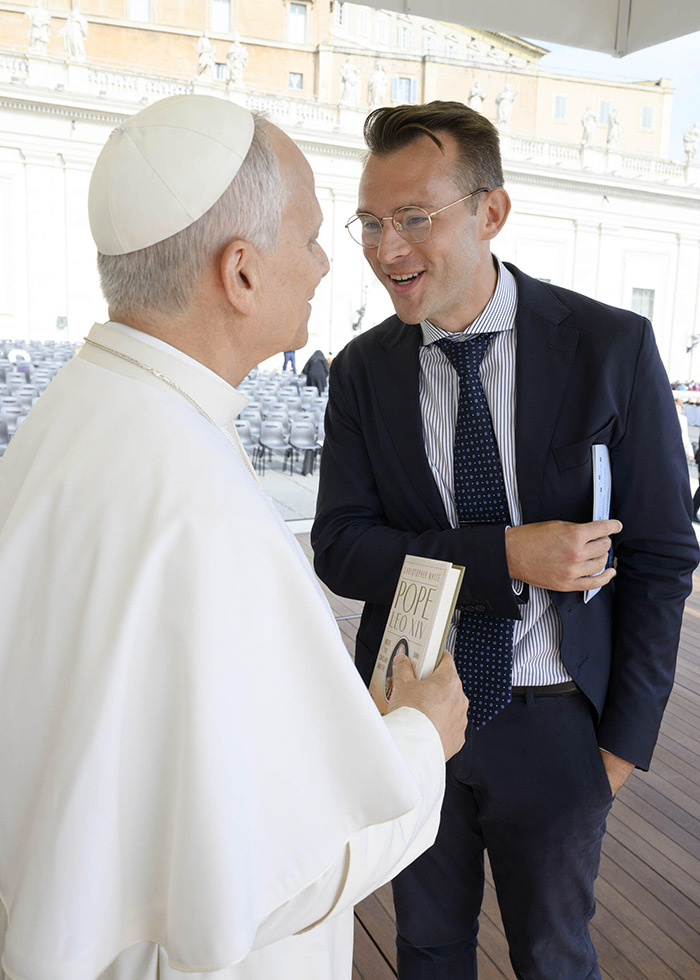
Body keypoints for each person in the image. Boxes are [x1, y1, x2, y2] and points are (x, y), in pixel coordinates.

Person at [0, 94, 469, 980]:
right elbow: (263, 879)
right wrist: (419, 735)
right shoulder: (202, 510)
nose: (334, 264)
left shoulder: (73, 413)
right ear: (242, 273)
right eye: (314, 237)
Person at [312, 100, 698, 980]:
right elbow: (340, 548)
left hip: (561, 723)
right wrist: (507, 557)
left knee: (555, 960)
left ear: (491, 213)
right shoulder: (364, 371)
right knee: (429, 952)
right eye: (371, 221)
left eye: (415, 217)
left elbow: (664, 557)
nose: (385, 247)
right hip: (413, 714)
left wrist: (620, 747)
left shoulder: (611, 346)